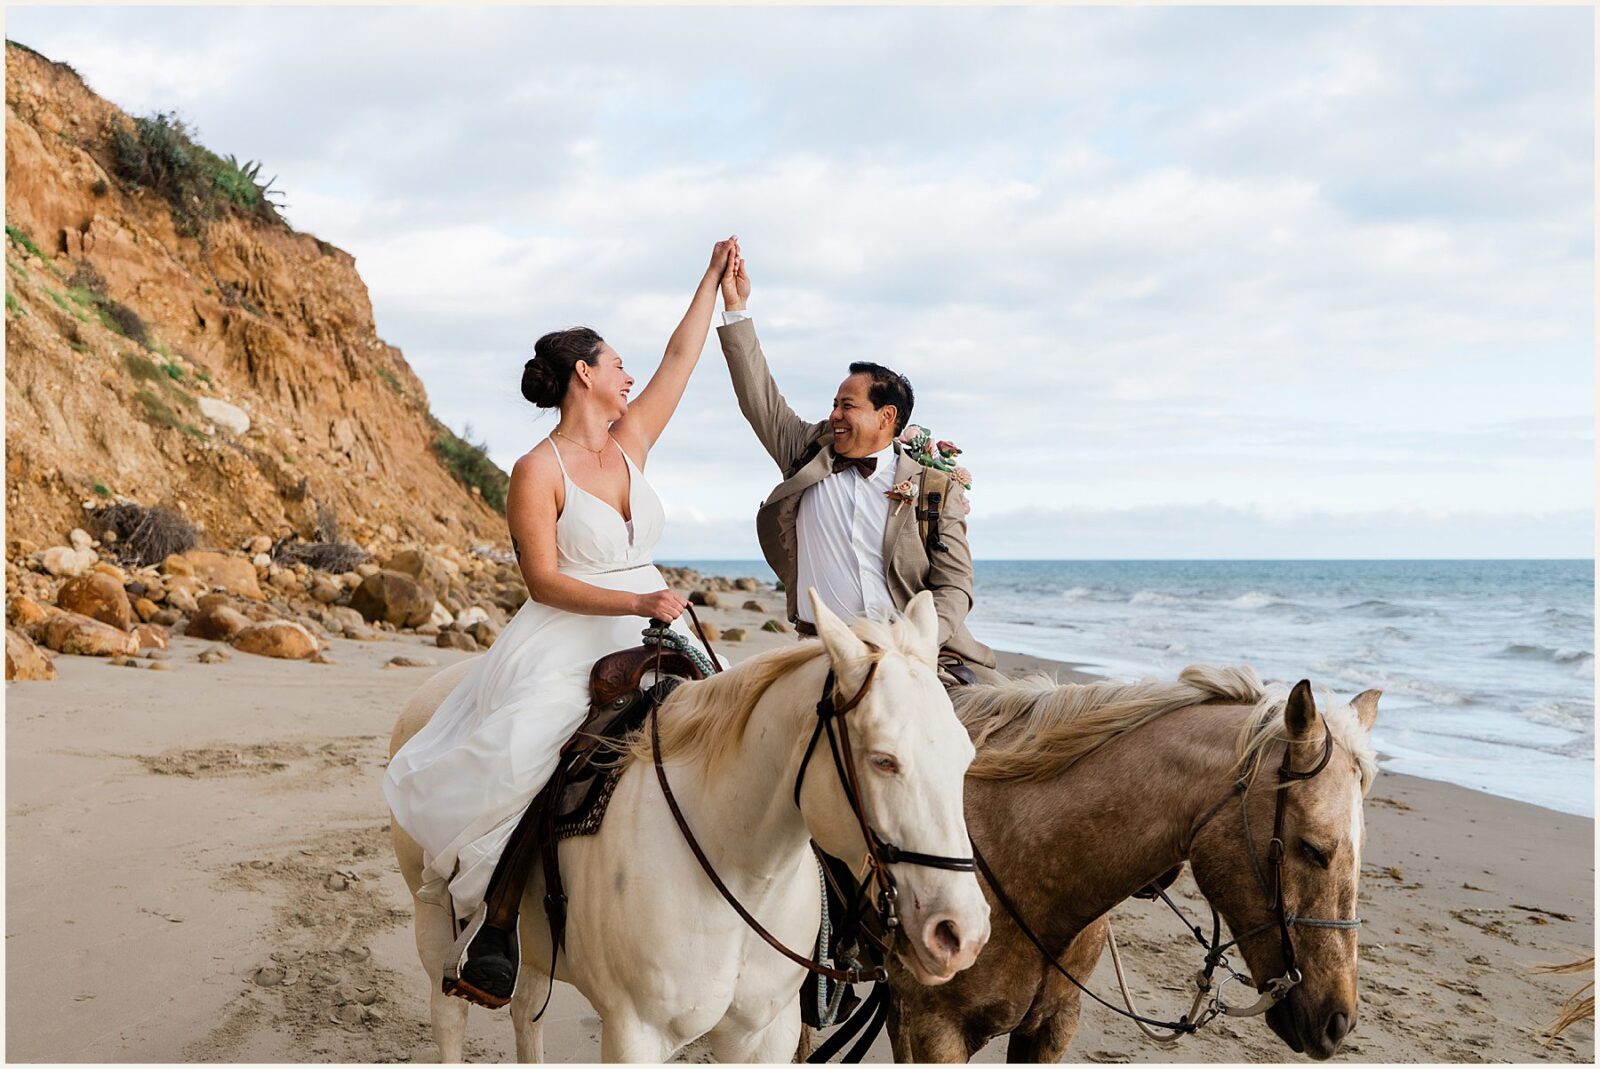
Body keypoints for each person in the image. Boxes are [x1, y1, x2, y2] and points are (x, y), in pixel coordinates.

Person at [383, 238, 737, 1006]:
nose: (630, 376)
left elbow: (682, 358)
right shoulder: (535, 470)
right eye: (617, 365)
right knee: (526, 754)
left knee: (738, 729)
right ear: (585, 373)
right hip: (572, 630)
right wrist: (638, 602)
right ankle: (500, 922)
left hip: (657, 625)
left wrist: (710, 280)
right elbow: (543, 580)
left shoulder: (630, 442)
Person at [715, 241, 999, 685]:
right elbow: (758, 395)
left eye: (848, 405)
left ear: (887, 417)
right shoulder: (805, 452)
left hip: (914, 657)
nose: (835, 415)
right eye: (834, 404)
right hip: (819, 653)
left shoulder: (933, 489)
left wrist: (915, 642)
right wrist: (737, 307)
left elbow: (955, 587)